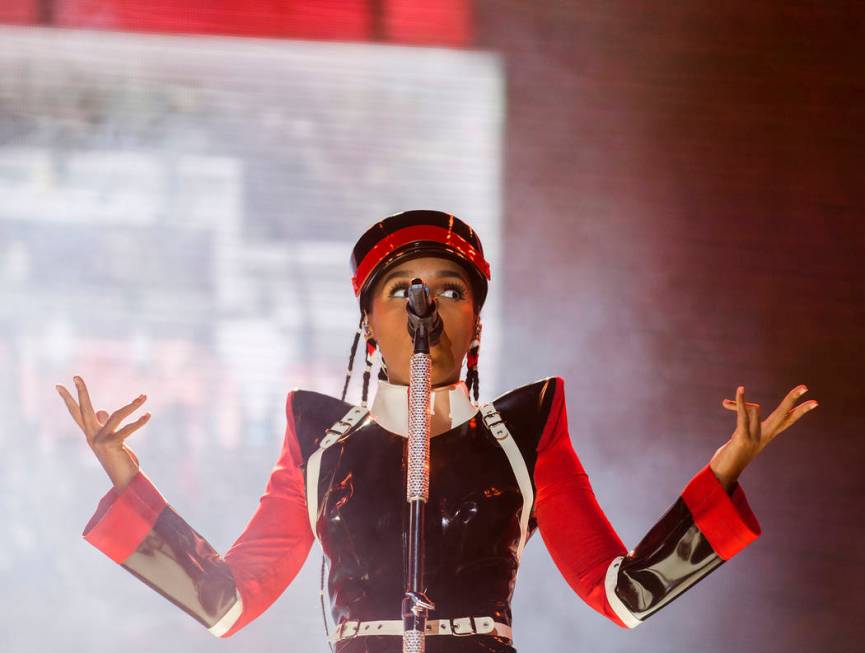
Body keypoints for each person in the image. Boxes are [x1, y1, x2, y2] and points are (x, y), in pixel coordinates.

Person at [57, 209, 818, 652]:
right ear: (368, 322)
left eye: (451, 290)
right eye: (402, 290)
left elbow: (624, 594)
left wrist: (721, 472)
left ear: (475, 320)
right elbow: (225, 600)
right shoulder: (319, 441)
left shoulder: (525, 433)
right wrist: (128, 480)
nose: (429, 303)